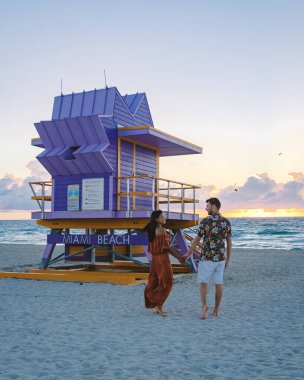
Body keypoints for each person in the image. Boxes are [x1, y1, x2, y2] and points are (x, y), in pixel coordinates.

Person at [184, 198, 232, 319]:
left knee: (203, 283)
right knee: (218, 283)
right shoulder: (226, 222)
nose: (206, 208)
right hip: (220, 258)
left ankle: (204, 305)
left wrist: (189, 253)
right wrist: (228, 259)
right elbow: (229, 242)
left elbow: (197, 239)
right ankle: (216, 310)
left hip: (207, 258)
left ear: (214, 206)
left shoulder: (205, 221)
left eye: (208, 206)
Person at [144, 210, 183, 317]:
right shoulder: (162, 230)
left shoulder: (151, 230)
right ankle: (159, 305)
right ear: (157, 219)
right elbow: (167, 248)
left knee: (155, 281)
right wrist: (179, 257)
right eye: (161, 217)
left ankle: (155, 302)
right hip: (162, 259)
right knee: (167, 282)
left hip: (155, 259)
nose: (164, 218)